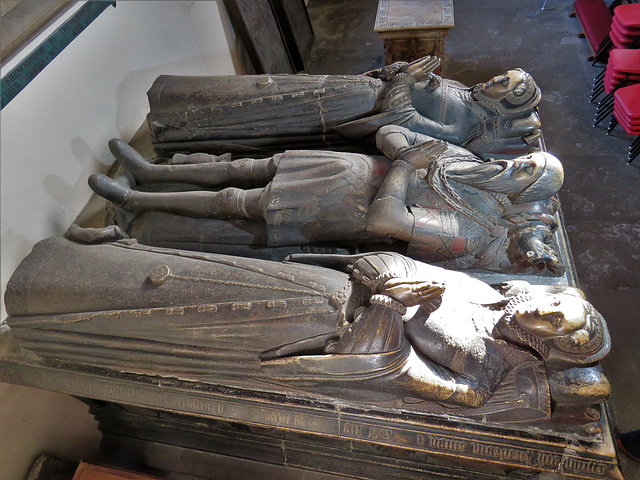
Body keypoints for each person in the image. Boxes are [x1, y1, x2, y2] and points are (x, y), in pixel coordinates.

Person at [5, 235, 610, 421]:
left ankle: (42, 306)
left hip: (310, 335)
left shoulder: (486, 370)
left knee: (168, 310)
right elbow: (383, 260)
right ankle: (75, 263)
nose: (547, 309)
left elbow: (393, 378)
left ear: (548, 341)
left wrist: (390, 315)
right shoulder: (479, 291)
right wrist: (387, 282)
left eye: (557, 321)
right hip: (322, 291)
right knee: (175, 271)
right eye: (557, 301)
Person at [89, 126, 565, 275]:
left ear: (525, 192)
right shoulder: (466, 164)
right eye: (524, 159)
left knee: (234, 201)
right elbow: (391, 130)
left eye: (524, 172)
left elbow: (386, 223)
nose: (513, 165)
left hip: (337, 211)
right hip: (342, 167)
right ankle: (155, 170)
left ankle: (137, 199)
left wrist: (403, 166)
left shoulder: (472, 231)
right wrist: (401, 150)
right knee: (241, 168)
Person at [147, 57, 542, 158]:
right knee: (262, 87)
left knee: (262, 113)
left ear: (504, 104)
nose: (491, 80)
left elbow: (405, 121)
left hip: (353, 114)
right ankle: (172, 99)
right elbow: (396, 76)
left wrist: (405, 81)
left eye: (501, 85)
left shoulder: (465, 131)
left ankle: (175, 128)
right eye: (499, 76)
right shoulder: (463, 91)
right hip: (354, 90)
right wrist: (402, 71)